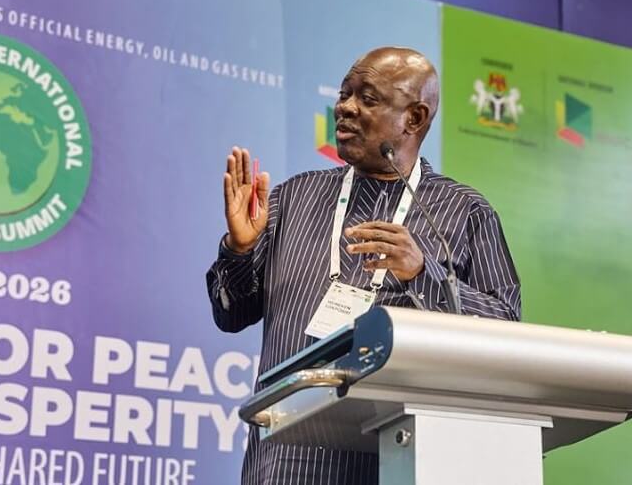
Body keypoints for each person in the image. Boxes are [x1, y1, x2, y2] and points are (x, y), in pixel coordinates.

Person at [206, 47, 521, 485]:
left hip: (394, 462)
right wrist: (239, 249)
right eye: (344, 94)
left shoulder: (464, 212)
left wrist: (423, 274)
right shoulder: (294, 198)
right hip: (283, 464)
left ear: (414, 118)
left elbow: (507, 331)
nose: (345, 107)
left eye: (367, 98)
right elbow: (231, 314)